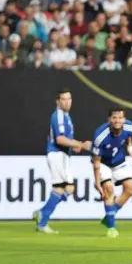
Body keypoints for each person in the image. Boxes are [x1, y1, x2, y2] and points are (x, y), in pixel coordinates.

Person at [33, 88, 90, 234]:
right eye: (64, 99)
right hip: (57, 154)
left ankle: (42, 214)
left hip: (62, 155)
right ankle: (43, 218)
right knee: (65, 188)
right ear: (57, 101)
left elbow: (66, 139)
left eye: (69, 99)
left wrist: (74, 145)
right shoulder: (58, 116)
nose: (67, 102)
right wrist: (80, 144)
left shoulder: (65, 116)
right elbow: (59, 139)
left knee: (64, 189)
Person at [92, 108, 132, 238]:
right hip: (103, 164)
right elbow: (96, 163)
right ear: (109, 119)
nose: (117, 121)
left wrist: (131, 150)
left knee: (131, 188)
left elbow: (128, 138)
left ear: (124, 119)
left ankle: (109, 215)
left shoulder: (130, 126)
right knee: (109, 190)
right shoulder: (100, 136)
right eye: (114, 118)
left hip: (118, 161)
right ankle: (111, 228)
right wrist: (97, 184)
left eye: (120, 118)